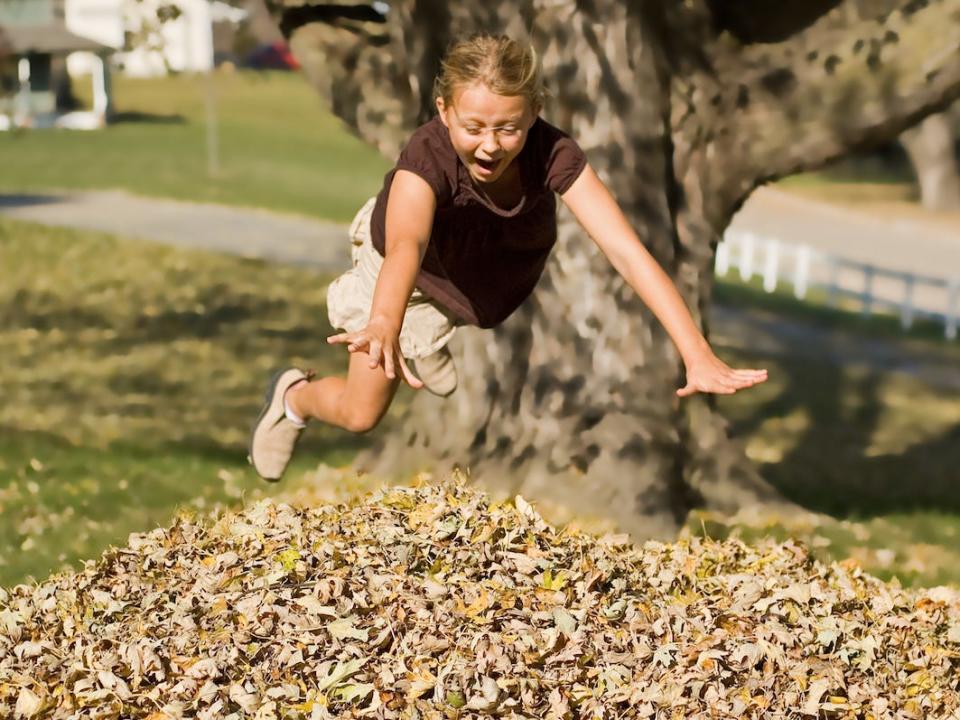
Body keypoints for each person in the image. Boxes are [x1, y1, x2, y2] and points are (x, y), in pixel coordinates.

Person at [248, 34, 767, 482]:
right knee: (361, 414)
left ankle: (428, 336)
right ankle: (294, 398)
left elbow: (625, 250)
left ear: (534, 113)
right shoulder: (425, 160)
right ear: (443, 109)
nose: (491, 146)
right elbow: (408, 246)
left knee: (454, 306)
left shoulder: (552, 152)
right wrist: (386, 322)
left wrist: (695, 351)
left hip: (476, 268)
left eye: (508, 129)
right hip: (402, 275)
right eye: (474, 127)